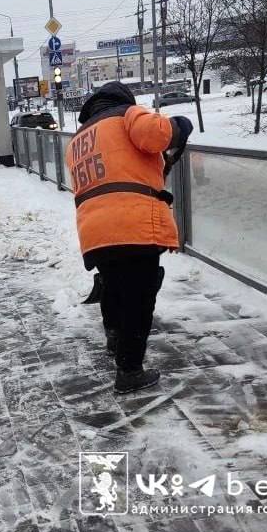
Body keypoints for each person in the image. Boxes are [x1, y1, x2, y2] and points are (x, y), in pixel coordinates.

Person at [66, 82, 193, 394]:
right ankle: (130, 370)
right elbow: (157, 135)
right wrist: (180, 126)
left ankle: (113, 335)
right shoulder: (127, 114)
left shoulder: (79, 140)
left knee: (113, 281)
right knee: (140, 294)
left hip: (95, 227)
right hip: (133, 220)